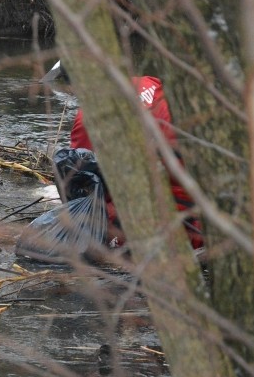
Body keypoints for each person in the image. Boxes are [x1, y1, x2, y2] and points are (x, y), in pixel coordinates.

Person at [65, 76, 204, 250]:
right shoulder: (148, 82)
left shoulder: (89, 115)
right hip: (203, 196)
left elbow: (79, 171)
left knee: (92, 220)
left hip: (170, 215)